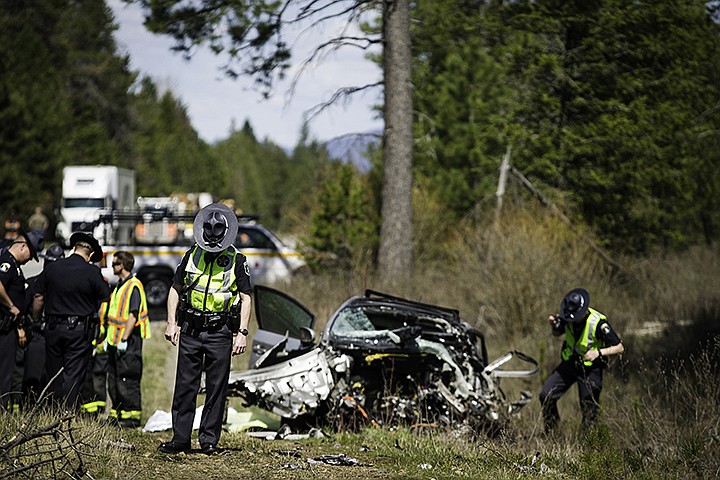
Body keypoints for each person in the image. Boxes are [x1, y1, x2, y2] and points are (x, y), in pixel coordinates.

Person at [159, 203, 252, 455]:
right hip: (190, 329)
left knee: (216, 388)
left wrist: (242, 333)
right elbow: (175, 290)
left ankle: (209, 440)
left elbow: (246, 298)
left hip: (219, 331)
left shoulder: (237, 260)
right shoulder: (191, 255)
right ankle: (180, 439)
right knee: (185, 386)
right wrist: (171, 322)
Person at [33, 232, 110, 408]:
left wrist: (37, 319)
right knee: (74, 374)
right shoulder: (92, 271)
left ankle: (51, 410)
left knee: (54, 372)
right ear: (90, 255)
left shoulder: (52, 268)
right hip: (79, 331)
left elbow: (38, 297)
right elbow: (106, 297)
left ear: (74, 248)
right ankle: (66, 414)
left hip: (52, 328)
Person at [539, 288, 625, 433]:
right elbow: (557, 333)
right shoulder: (568, 316)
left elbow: (619, 347)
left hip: (591, 370)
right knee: (546, 394)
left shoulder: (598, 322)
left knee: (588, 410)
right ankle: (552, 433)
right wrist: (554, 325)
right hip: (570, 364)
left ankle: (586, 448)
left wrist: (598, 353)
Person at [11, 244, 65, 409]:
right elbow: (20, 310)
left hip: (57, 336)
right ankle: (27, 408)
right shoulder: (33, 283)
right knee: (32, 377)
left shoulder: (64, 286)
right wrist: (22, 328)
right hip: (37, 336)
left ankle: (49, 410)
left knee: (54, 379)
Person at [103, 250, 151, 428]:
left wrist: (124, 338)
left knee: (127, 378)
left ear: (121, 265)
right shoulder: (120, 285)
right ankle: (117, 414)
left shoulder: (134, 286)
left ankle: (131, 417)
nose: (112, 266)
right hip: (116, 341)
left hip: (128, 341)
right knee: (114, 378)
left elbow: (133, 315)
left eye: (114, 263)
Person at [0, 229, 44, 410]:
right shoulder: (7, 263)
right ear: (23, 247)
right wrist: (11, 306)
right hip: (3, 327)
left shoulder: (14, 265)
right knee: (4, 372)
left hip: (9, 326)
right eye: (30, 255)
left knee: (7, 371)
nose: (28, 260)